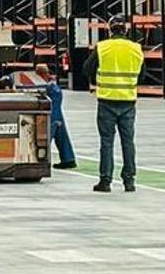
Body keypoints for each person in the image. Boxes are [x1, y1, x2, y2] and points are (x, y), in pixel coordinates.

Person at [84, 15, 144, 193]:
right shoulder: (136, 49)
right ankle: (129, 181)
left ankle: (105, 181)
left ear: (110, 30)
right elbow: (142, 75)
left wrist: (97, 81)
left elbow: (87, 68)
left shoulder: (102, 48)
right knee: (128, 142)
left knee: (107, 142)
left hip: (107, 101)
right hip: (128, 101)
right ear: (125, 30)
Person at [35, 63, 76, 170]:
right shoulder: (53, 87)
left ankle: (40, 159)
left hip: (52, 114)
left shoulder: (50, 88)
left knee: (49, 131)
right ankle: (68, 159)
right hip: (56, 112)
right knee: (60, 132)